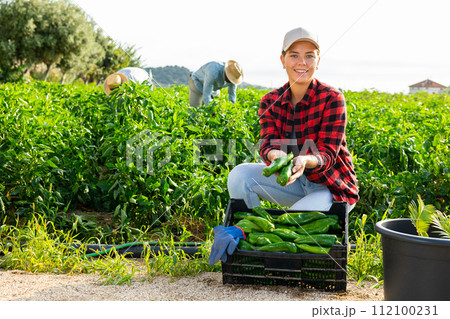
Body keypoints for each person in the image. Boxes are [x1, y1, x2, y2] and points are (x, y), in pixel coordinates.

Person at [227, 27, 359, 214]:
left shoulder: (332, 98)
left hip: (331, 187)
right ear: (283, 60)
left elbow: (327, 154)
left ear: (318, 60)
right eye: (294, 55)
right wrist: (273, 154)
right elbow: (267, 143)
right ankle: (253, 229)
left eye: (310, 56)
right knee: (239, 176)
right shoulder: (270, 101)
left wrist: (305, 159)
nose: (302, 63)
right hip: (294, 184)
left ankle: (289, 225)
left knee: (291, 229)